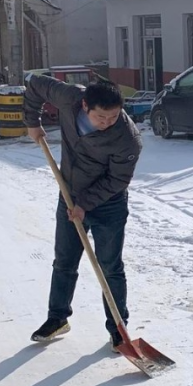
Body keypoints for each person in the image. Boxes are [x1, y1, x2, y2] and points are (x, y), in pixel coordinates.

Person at [24, 77, 143, 351]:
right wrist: (32, 121)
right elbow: (34, 86)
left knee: (110, 266)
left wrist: (85, 204)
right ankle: (57, 318)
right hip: (69, 194)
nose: (107, 123)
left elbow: (117, 180)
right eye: (101, 117)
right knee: (64, 261)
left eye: (113, 117)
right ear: (85, 105)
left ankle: (118, 328)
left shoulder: (127, 139)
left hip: (108, 204)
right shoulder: (69, 97)